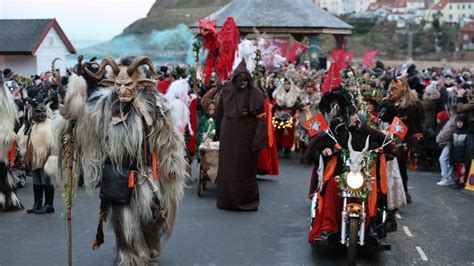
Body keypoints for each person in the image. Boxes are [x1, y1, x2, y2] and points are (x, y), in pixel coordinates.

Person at [59, 56, 187, 264]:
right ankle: (131, 257)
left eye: (128, 85)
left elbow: (169, 137)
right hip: (118, 175)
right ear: (111, 83)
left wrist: (172, 162)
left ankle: (147, 248)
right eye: (117, 85)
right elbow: (84, 124)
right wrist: (74, 109)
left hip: (146, 174)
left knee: (150, 219)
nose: (122, 90)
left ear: (139, 83)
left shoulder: (154, 104)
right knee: (125, 222)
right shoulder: (104, 105)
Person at [216, 59, 267, 211]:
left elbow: (261, 119)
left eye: (246, 79)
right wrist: (219, 134)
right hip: (229, 135)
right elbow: (220, 113)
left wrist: (258, 139)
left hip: (247, 136)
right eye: (241, 78)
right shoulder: (226, 90)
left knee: (245, 168)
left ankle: (247, 201)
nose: (243, 82)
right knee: (228, 167)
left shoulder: (256, 94)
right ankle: (227, 200)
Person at [0, 78, 23, 211]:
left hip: (4, 139)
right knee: (4, 169)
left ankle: (7, 198)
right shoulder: (6, 99)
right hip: (5, 138)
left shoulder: (4, 99)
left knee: (3, 168)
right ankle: (7, 198)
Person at [272, 78, 301, 157]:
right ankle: (278, 147)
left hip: (290, 115)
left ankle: (287, 149)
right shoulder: (278, 93)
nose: (286, 85)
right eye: (285, 83)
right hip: (279, 114)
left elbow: (297, 105)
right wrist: (277, 111)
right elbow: (274, 104)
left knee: (288, 132)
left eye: (288, 84)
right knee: (277, 131)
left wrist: (292, 111)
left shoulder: (294, 94)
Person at [436, 106, 458, 186]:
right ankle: (449, 178)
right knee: (447, 160)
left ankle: (446, 177)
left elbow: (448, 131)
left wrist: (439, 138)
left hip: (449, 142)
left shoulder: (453, 120)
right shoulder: (453, 119)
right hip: (449, 141)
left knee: (443, 159)